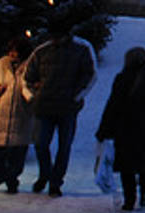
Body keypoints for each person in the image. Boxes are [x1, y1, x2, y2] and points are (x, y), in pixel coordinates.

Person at [22, 21, 96, 197]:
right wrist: (33, 95)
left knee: (62, 146)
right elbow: (28, 77)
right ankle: (46, 175)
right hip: (45, 105)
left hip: (66, 106)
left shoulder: (79, 50)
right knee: (42, 144)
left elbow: (89, 75)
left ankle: (54, 181)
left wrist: (76, 96)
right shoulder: (42, 52)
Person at [95, 47, 145, 211]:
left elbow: (113, 105)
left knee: (127, 165)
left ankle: (129, 198)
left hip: (125, 126)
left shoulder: (122, 78)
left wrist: (103, 130)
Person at [0, 36, 34, 194]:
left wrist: (31, 94)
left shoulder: (30, 66)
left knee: (17, 156)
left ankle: (11, 180)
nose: (12, 54)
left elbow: (35, 85)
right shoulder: (1, 64)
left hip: (21, 116)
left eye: (15, 51)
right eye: (10, 51)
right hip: (1, 115)